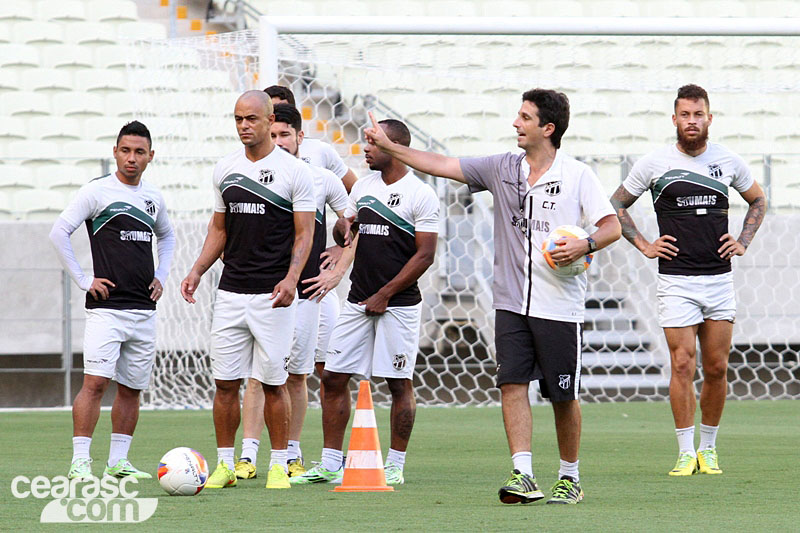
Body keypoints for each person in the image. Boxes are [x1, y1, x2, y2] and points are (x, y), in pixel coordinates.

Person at [357, 89, 621, 504]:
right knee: (511, 384)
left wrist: (585, 244)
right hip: (510, 302)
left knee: (562, 395)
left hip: (559, 306)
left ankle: (569, 477)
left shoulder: (577, 175)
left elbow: (611, 226)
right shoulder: (502, 167)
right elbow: (442, 164)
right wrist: (391, 147)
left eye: (524, 117)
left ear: (547, 129)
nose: (515, 123)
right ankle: (523, 475)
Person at [610, 84, 766, 477]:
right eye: (685, 115)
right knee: (682, 364)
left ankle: (708, 449)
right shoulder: (653, 163)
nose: (692, 121)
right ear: (675, 119)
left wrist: (743, 241)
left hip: (718, 279)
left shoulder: (728, 161)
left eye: (698, 114)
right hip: (676, 280)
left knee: (716, 366)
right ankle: (684, 451)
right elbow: (616, 205)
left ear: (709, 118)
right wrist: (644, 244)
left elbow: (758, 200)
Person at [291, 119, 439, 486]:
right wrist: (343, 231)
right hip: (359, 300)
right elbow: (350, 230)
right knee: (333, 377)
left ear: (394, 145)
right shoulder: (365, 188)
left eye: (372, 143)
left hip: (399, 305)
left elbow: (425, 256)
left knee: (398, 383)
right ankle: (329, 462)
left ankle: (394, 464)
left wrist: (385, 294)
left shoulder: (421, 194)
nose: (365, 149)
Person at [180, 90, 316, 490]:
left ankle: (277, 463)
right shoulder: (225, 169)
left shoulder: (294, 172)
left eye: (251, 119)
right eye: (238, 119)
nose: (244, 126)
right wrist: (197, 270)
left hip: (272, 295)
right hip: (230, 292)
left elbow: (304, 234)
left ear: (270, 119)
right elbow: (219, 230)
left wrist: (292, 279)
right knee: (225, 383)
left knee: (274, 382)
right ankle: (225, 464)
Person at [50, 121, 175, 481]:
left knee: (133, 388)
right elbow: (59, 232)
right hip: (106, 311)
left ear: (151, 156)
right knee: (96, 383)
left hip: (144, 310)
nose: (131, 158)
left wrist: (162, 276)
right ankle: (80, 462)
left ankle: (118, 461)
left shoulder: (154, 198)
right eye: (125, 150)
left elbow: (167, 237)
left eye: (139, 152)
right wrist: (84, 280)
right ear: (115, 152)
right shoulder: (97, 192)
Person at [233, 104, 353, 480]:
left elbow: (355, 219)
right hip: (261, 290)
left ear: (301, 137)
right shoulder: (249, 175)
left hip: (304, 293)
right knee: (259, 375)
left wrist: (341, 258)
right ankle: (248, 456)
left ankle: (291, 455)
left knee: (296, 376)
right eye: (276, 134)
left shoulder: (320, 179)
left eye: (287, 134)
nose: (279, 141)